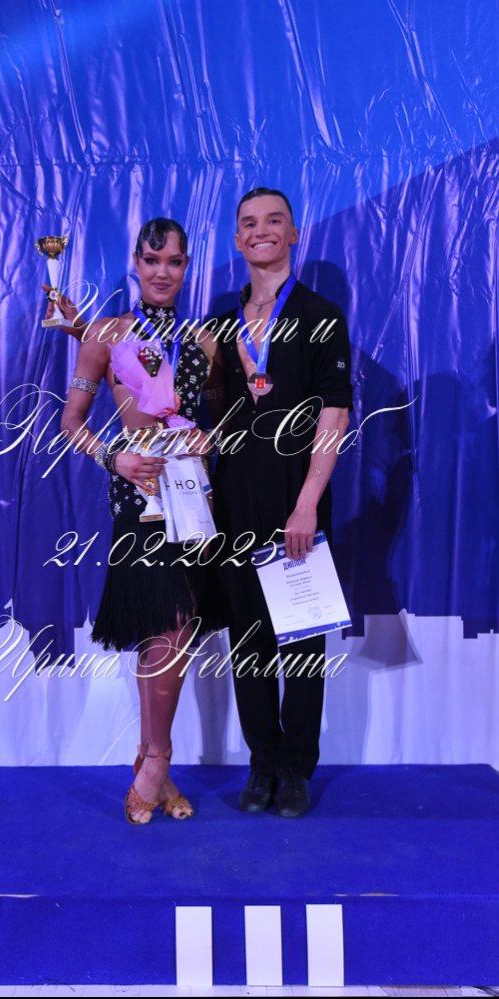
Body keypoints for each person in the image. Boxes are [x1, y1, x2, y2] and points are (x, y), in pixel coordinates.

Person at [60, 218, 224, 825]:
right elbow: (71, 422)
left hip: (193, 497)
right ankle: (158, 759)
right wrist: (115, 458)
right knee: (164, 625)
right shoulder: (106, 335)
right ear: (136, 262)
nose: (162, 272)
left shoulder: (205, 341)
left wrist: (211, 437)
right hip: (137, 494)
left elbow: (222, 418)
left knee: (174, 631)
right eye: (152, 261)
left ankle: (154, 759)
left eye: (174, 262)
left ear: (186, 268)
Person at [212, 187, 353, 817]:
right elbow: (200, 408)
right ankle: (261, 761)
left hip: (298, 498)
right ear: (237, 239)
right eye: (249, 223)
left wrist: (307, 504)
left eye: (274, 221)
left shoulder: (321, 315)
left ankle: (296, 767)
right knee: (247, 638)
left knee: (300, 638)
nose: (261, 230)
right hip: (235, 498)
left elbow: (334, 414)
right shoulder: (220, 325)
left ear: (293, 234)